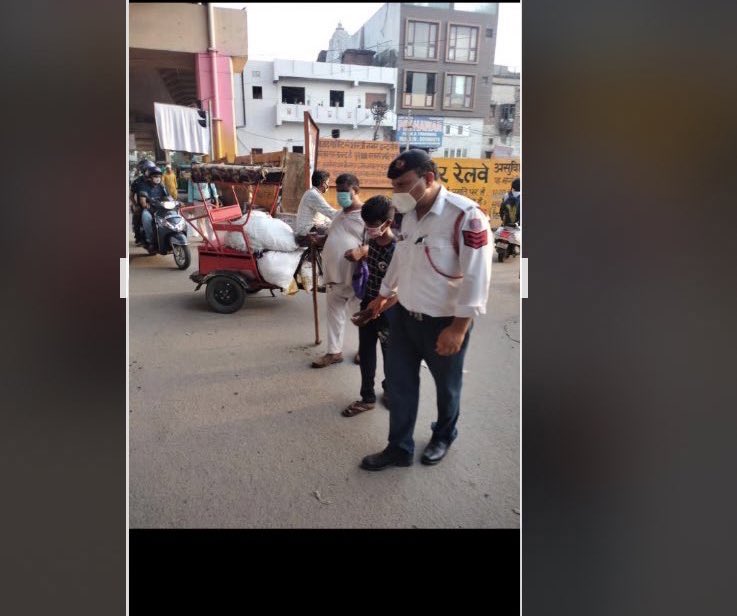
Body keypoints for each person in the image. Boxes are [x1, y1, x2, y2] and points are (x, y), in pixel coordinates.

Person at [359, 149, 492, 471]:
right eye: (394, 186)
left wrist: (459, 328)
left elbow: (477, 275)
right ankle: (399, 448)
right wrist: (383, 295)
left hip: (444, 322)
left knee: (447, 389)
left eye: (403, 183)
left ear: (428, 178)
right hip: (404, 317)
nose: (398, 193)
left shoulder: (466, 216)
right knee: (401, 384)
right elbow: (401, 257)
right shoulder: (407, 216)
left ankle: (443, 435)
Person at [341, 195, 397, 417]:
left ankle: (390, 389)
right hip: (368, 306)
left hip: (388, 311)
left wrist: (377, 309)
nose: (369, 229)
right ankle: (367, 397)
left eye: (373, 226)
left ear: (388, 223)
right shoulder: (372, 244)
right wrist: (366, 309)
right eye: (367, 225)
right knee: (366, 353)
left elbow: (398, 292)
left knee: (391, 355)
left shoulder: (398, 251)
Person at [311, 173, 366, 369]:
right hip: (334, 275)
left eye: (345, 191)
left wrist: (361, 251)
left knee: (361, 316)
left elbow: (377, 243)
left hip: (355, 277)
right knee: (334, 315)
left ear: (356, 191)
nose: (341, 195)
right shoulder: (339, 214)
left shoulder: (366, 215)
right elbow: (333, 235)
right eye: (339, 191)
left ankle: (364, 350)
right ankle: (334, 352)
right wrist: (320, 240)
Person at [295, 170, 337, 246]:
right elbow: (330, 212)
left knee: (333, 228)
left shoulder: (313, 193)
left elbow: (325, 217)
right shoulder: (313, 195)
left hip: (309, 230)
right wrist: (345, 216)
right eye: (327, 183)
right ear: (323, 184)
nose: (328, 185)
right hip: (305, 234)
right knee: (336, 234)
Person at [138, 166, 172, 253]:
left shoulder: (162, 186)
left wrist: (175, 202)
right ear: (150, 178)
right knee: (146, 217)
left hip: (162, 208)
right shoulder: (144, 186)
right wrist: (145, 204)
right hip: (150, 209)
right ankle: (151, 241)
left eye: (159, 176)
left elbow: (169, 197)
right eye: (155, 176)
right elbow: (143, 200)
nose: (157, 178)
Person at [130, 159, 156, 245]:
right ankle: (138, 236)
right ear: (144, 171)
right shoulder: (137, 181)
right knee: (137, 214)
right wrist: (135, 205)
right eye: (148, 170)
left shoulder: (157, 180)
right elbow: (131, 196)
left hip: (155, 204)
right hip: (141, 204)